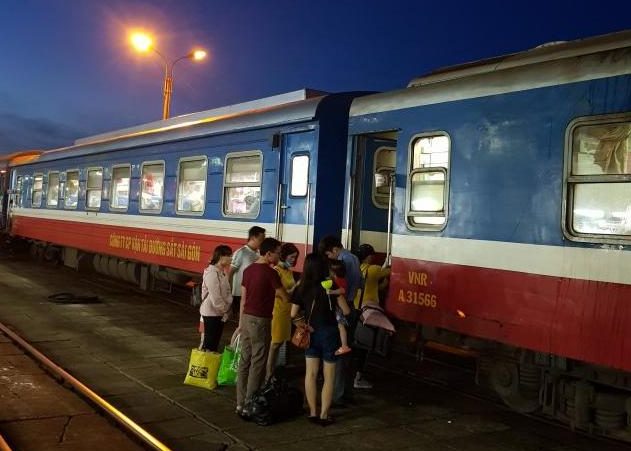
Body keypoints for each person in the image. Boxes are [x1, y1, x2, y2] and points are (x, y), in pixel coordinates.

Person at [291, 253, 348, 426]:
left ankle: (312, 412)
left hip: (311, 333)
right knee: (329, 376)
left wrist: (303, 324)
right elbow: (346, 311)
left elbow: (293, 314)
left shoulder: (302, 287)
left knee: (311, 374)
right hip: (330, 333)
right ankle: (324, 415)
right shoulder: (330, 285)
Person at [236, 237, 289, 418]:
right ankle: (250, 403)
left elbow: (243, 299)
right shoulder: (270, 273)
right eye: (278, 253)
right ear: (268, 254)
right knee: (258, 362)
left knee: (244, 360)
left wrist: (240, 322)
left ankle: (240, 403)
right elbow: (284, 296)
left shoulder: (248, 270)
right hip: (261, 321)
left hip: (246, 318)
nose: (279, 257)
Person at [318, 235, 370, 405]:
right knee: (347, 352)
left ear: (334, 249)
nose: (329, 259)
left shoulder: (343, 261)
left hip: (342, 307)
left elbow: (341, 287)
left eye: (329, 254)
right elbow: (360, 283)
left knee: (339, 351)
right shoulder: (353, 258)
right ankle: (345, 392)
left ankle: (338, 394)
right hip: (351, 305)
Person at [266, 243, 299, 380]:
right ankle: (268, 374)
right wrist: (296, 287)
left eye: (295, 257)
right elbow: (277, 293)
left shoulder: (288, 271)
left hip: (287, 311)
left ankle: (274, 371)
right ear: (284, 255)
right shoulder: (276, 271)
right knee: (274, 343)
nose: (293, 260)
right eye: (291, 257)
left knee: (280, 342)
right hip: (278, 311)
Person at [200, 245, 233, 352]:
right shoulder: (212, 274)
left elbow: (226, 292)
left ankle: (210, 362)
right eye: (229, 256)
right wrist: (225, 310)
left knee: (214, 343)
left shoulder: (221, 272)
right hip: (211, 313)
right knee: (210, 344)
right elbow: (216, 298)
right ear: (221, 257)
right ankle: (206, 362)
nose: (231, 258)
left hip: (218, 313)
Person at [229, 226, 266, 316]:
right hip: (239, 294)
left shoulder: (258, 253)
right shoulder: (241, 253)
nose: (263, 242)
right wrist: (229, 292)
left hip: (252, 293)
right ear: (252, 238)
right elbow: (230, 272)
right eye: (261, 239)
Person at [327, 259, 352, 356]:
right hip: (340, 306)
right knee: (340, 327)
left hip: (339, 308)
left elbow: (342, 290)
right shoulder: (343, 279)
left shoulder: (337, 281)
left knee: (341, 326)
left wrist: (331, 292)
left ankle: (344, 346)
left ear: (333, 272)